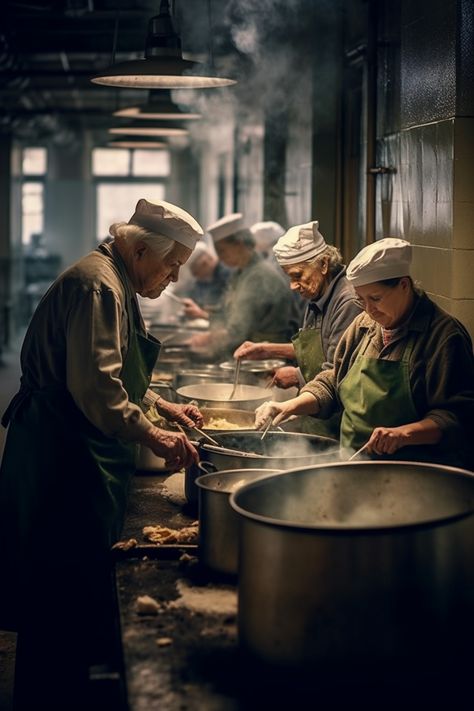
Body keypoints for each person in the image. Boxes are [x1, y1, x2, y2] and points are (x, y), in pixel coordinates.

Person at [0, 198, 204, 708]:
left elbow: (113, 370)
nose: (173, 279)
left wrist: (161, 404)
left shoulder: (113, 278)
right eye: (171, 265)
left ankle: (66, 685)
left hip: (75, 444)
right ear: (139, 250)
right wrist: (155, 436)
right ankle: (51, 696)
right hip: (60, 453)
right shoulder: (98, 286)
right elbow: (97, 392)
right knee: (57, 590)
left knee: (69, 588)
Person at [255, 238, 474, 469]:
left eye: (376, 299)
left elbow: (457, 416)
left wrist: (403, 434)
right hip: (353, 463)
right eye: (361, 300)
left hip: (414, 474)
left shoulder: (444, 337)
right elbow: (332, 382)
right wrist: (288, 406)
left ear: (403, 285)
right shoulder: (364, 325)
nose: (368, 310)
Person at [234, 221, 361, 436]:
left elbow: (337, 371)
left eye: (297, 275)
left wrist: (297, 375)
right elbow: (319, 347)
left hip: (337, 422)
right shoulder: (318, 294)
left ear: (323, 264)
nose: (293, 286)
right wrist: (266, 349)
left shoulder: (347, 301)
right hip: (318, 415)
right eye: (289, 277)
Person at [189, 213, 298, 358]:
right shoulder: (240, 273)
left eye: (222, 251)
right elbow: (226, 314)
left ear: (239, 244)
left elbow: (238, 331)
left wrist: (209, 338)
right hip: (249, 354)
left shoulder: (259, 276)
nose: (220, 258)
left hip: (266, 360)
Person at [179, 240, 231, 321]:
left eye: (196, 273)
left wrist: (201, 314)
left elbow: (230, 316)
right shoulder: (202, 281)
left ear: (205, 263)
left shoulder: (228, 274)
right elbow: (197, 301)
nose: (196, 277)